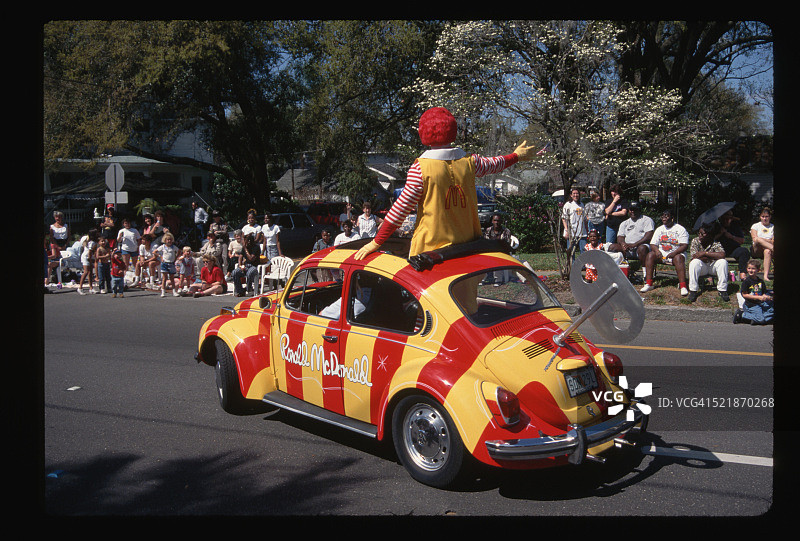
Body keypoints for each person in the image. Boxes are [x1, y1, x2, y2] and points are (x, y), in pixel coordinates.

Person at [355, 107, 536, 260]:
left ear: (423, 133)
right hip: (468, 249)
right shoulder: (470, 162)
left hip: (431, 254)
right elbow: (495, 163)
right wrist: (516, 156)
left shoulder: (420, 169)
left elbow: (399, 210)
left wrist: (376, 241)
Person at [640, 209, 689, 295]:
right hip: (662, 254)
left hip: (676, 253)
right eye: (662, 216)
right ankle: (649, 283)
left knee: (678, 258)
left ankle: (683, 286)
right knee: (650, 255)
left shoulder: (680, 229)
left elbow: (684, 245)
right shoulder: (659, 229)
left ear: (672, 218)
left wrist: (674, 253)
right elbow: (653, 244)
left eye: (666, 216)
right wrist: (657, 251)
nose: (663, 218)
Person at [687, 222, 729, 302]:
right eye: (699, 233)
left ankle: (722, 290)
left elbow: (722, 255)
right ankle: (693, 290)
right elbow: (694, 256)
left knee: (723, 262)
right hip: (702, 267)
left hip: (712, 267)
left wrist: (705, 253)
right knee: (694, 263)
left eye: (703, 234)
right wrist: (712, 256)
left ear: (710, 235)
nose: (700, 235)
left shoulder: (715, 242)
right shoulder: (695, 241)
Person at [733, 259, 774, 325]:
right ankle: (742, 315)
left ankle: (756, 318)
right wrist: (758, 297)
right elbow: (745, 295)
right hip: (751, 304)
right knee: (761, 320)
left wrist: (766, 296)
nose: (751, 270)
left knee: (772, 310)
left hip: (761, 303)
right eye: (749, 268)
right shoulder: (746, 282)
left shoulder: (760, 281)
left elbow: (763, 292)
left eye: (753, 268)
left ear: (758, 270)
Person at [716, 210, 750, 281]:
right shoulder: (716, 227)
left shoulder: (735, 227)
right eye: (724, 219)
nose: (726, 221)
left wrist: (731, 236)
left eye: (728, 219)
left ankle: (743, 273)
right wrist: (720, 234)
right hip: (719, 250)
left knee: (744, 251)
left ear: (731, 219)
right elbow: (710, 240)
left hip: (733, 249)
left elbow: (742, 241)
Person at [750, 207, 774, 282]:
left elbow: (773, 241)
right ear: (760, 217)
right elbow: (754, 239)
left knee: (767, 251)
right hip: (756, 249)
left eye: (766, 216)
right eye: (762, 216)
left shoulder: (773, 227)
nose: (764, 218)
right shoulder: (755, 226)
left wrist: (762, 240)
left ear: (770, 217)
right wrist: (767, 240)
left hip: (768, 249)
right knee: (758, 239)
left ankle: (765, 276)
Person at [561, 187, 587, 257]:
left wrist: (587, 230)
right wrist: (566, 230)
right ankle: (572, 267)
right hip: (572, 233)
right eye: (574, 193)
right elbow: (564, 219)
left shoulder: (581, 205)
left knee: (583, 251)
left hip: (582, 233)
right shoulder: (568, 205)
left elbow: (584, 219)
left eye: (577, 193)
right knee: (571, 253)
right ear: (571, 195)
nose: (576, 195)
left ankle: (583, 267)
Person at [154, 232, 180, 297]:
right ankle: (163, 292)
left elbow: (179, 251)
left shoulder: (173, 247)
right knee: (164, 278)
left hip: (171, 263)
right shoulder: (162, 247)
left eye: (170, 239)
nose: (169, 241)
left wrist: (176, 258)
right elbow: (154, 252)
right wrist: (160, 256)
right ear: (165, 240)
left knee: (172, 278)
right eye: (168, 239)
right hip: (164, 264)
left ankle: (174, 291)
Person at [77, 229, 99, 295]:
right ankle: (80, 287)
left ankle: (91, 288)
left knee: (90, 273)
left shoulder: (93, 242)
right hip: (86, 257)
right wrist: (90, 260)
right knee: (86, 271)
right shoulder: (91, 242)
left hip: (90, 257)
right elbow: (89, 252)